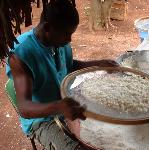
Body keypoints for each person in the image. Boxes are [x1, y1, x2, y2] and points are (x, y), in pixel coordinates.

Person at [6, 0, 116, 149]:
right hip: (42, 119)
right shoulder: (21, 54)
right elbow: (24, 108)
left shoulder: (58, 42)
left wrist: (98, 64)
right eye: (66, 34)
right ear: (47, 28)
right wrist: (59, 107)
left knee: (108, 134)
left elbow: (68, 65)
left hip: (64, 106)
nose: (69, 40)